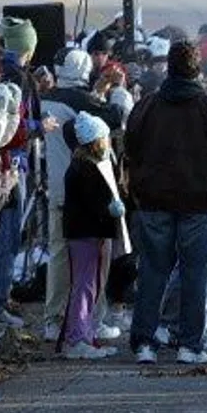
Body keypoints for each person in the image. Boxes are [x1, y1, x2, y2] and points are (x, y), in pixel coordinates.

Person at [124, 41, 207, 366]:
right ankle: (190, 344)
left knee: (153, 270)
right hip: (199, 201)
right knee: (195, 272)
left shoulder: (148, 105)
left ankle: (144, 343)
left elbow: (130, 145)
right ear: (198, 70)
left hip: (153, 200)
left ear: (169, 68)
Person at [60, 113, 127, 359]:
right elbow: (94, 203)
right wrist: (110, 209)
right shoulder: (87, 168)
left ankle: (84, 333)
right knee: (86, 286)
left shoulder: (82, 165)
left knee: (89, 285)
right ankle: (78, 337)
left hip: (85, 232)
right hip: (89, 233)